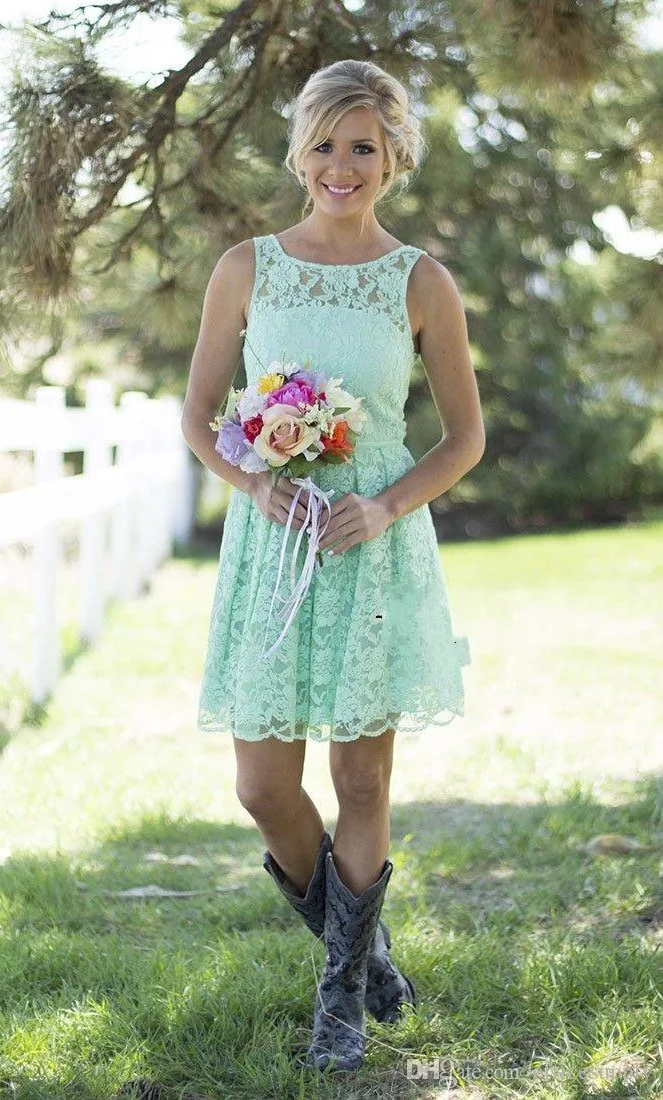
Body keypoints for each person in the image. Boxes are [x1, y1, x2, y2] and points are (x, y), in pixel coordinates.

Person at [181, 58, 485, 1073]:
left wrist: (383, 504)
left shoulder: (421, 281)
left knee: (362, 776)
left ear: (393, 154)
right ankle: (367, 951)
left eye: (363, 146)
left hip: (373, 545)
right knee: (264, 784)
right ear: (298, 151)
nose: (341, 166)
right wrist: (257, 483)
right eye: (324, 145)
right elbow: (199, 417)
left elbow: (461, 438)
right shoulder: (247, 266)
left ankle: (343, 997)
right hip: (273, 547)